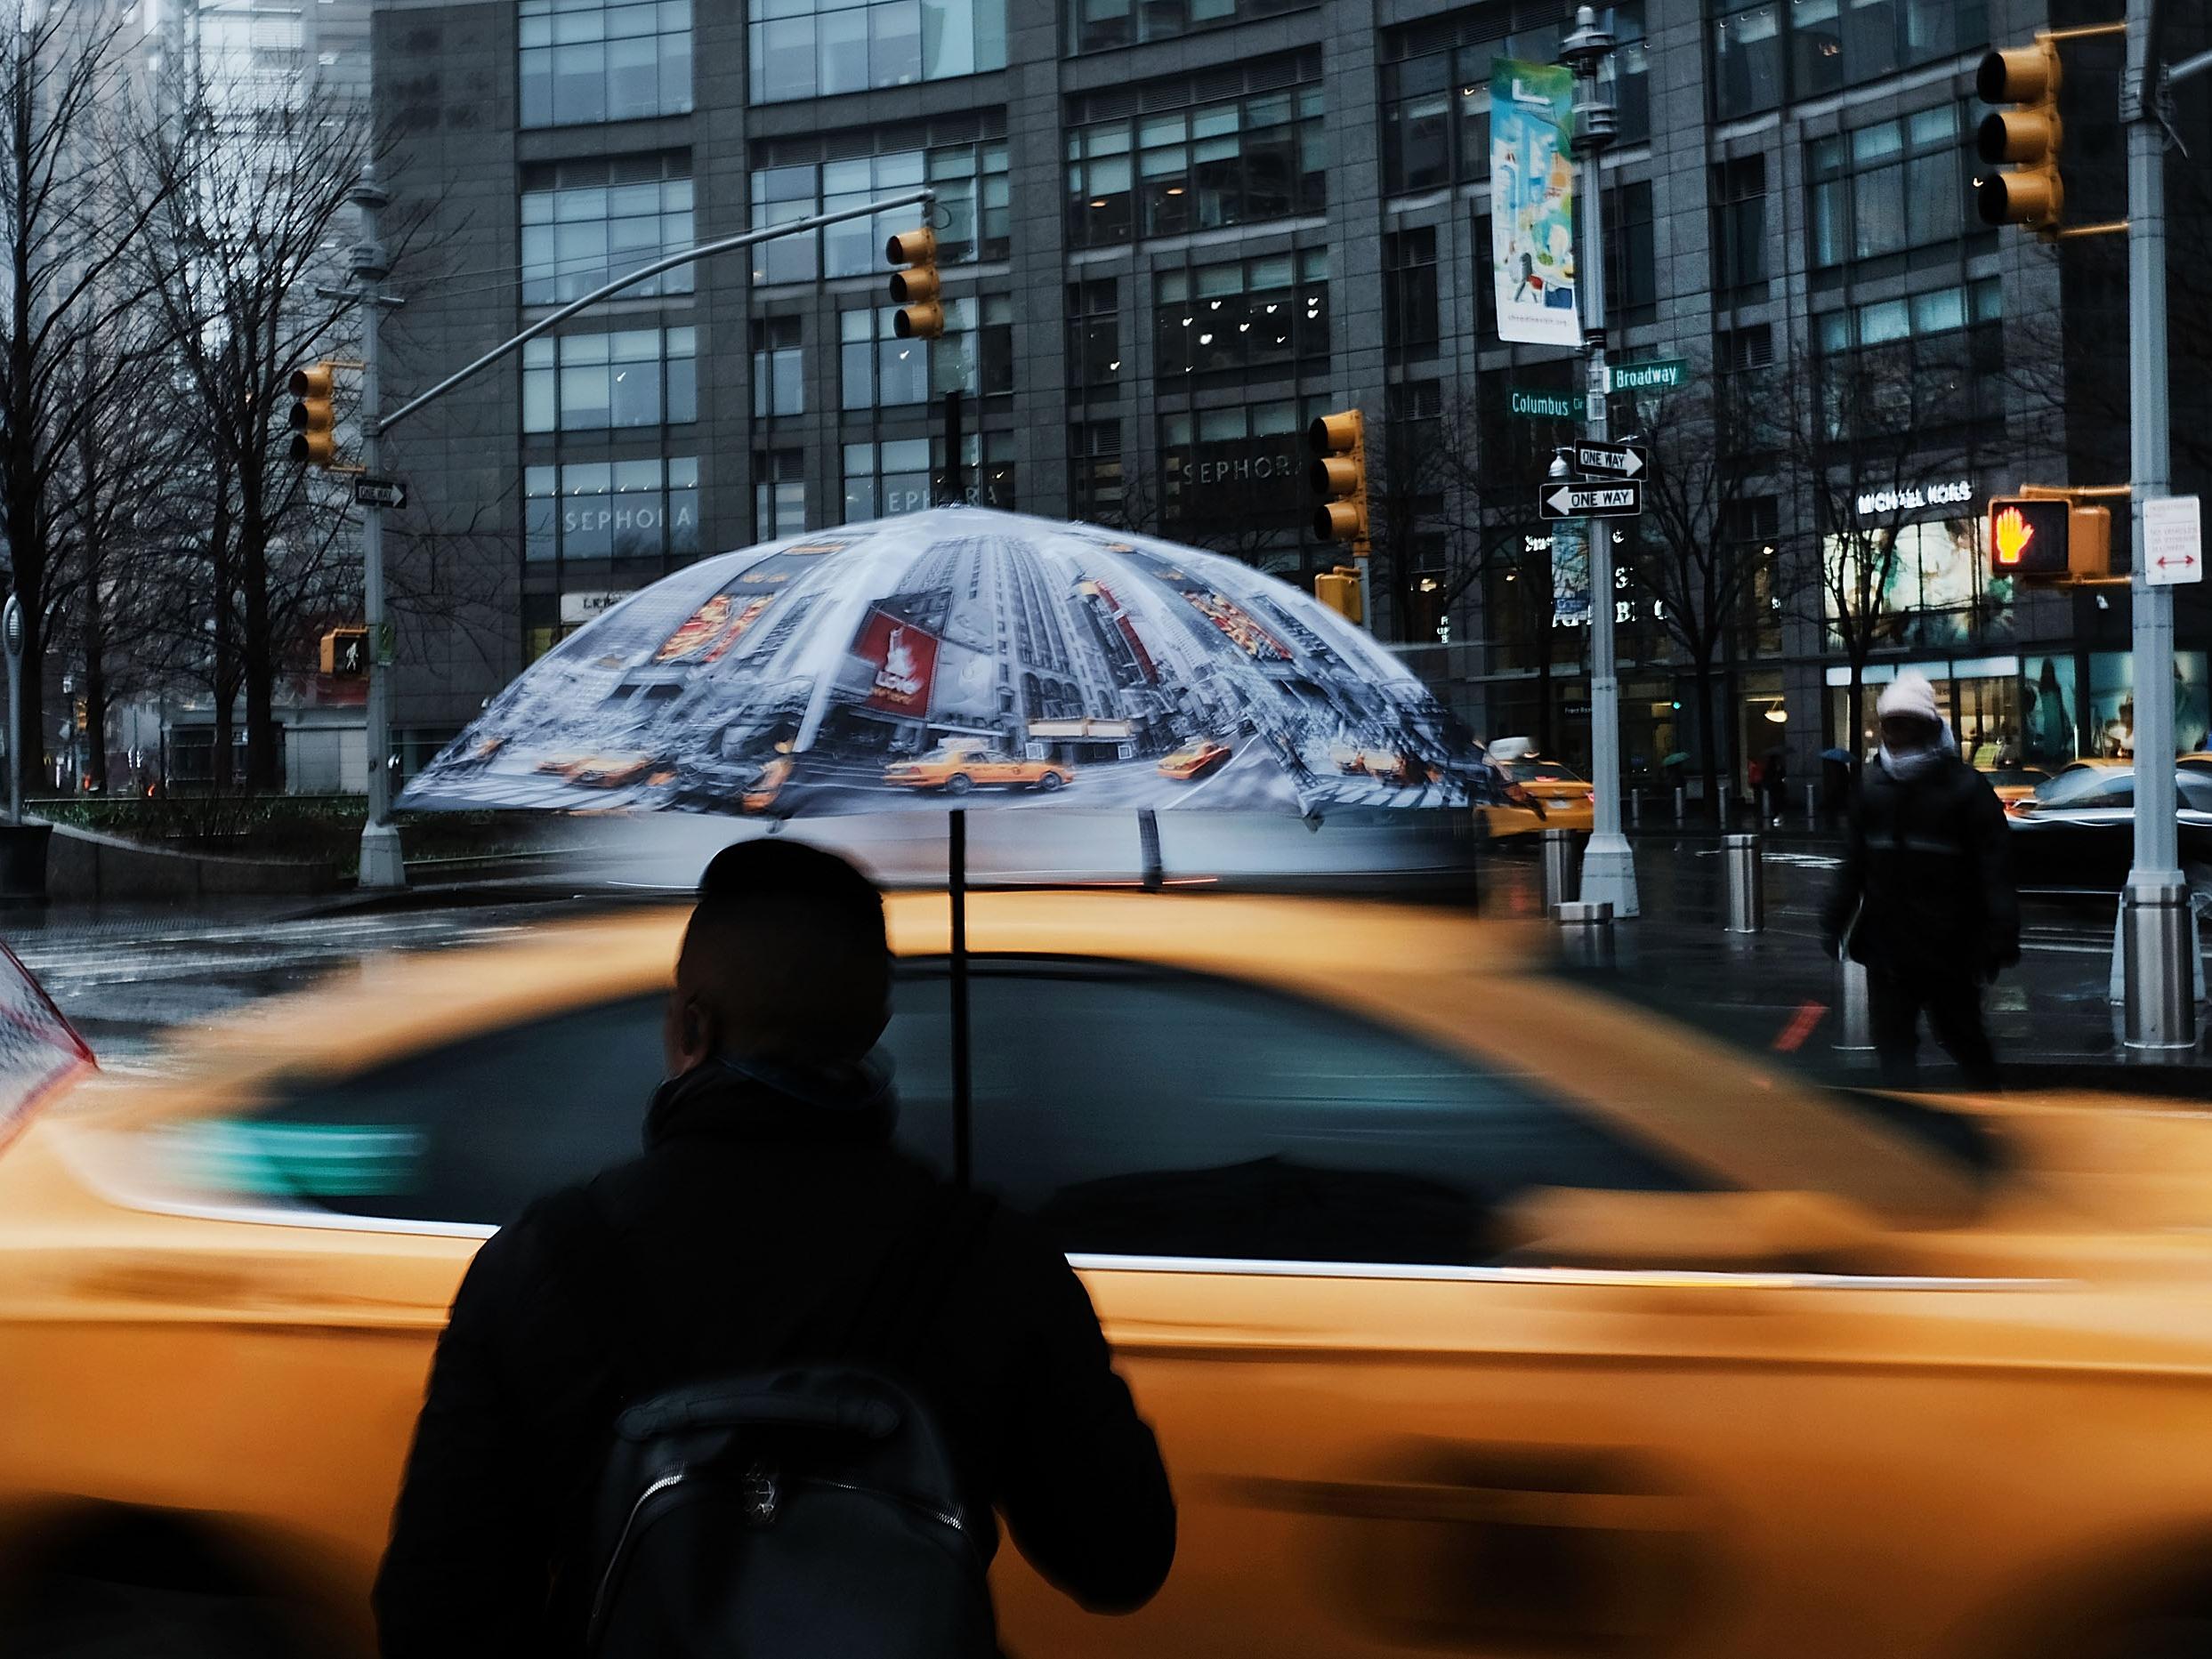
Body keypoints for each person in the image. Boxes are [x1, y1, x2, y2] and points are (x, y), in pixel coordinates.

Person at [375, 840, 1176, 1657]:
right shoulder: (991, 1259)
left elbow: (434, 1613)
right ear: (873, 1028)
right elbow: (1124, 1559)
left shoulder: (539, 1263)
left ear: (692, 1024)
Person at [1821, 672, 2020, 1091]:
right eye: (1891, 724)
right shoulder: (1873, 791)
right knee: (1893, 1046)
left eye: (1906, 724)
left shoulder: (1965, 790)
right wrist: (1834, 917)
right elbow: (1854, 864)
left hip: (1950, 948)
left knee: (1963, 1037)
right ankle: (1908, 1133)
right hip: (1890, 950)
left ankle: (1992, 1114)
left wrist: (2000, 934)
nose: (1896, 735)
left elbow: (1994, 868)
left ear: (1929, 728)